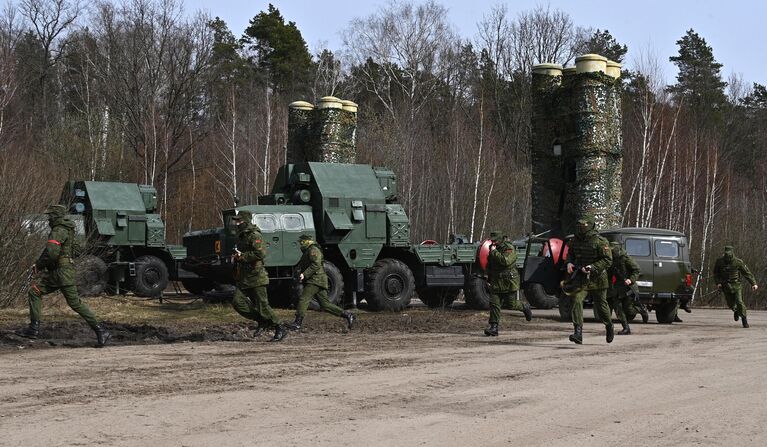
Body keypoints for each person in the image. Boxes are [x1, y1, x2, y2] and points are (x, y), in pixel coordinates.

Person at [16, 205, 110, 347]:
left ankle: (34, 329)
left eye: (49, 216)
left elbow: (51, 252)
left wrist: (39, 265)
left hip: (60, 273)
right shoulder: (68, 229)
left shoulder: (58, 230)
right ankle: (33, 329)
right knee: (68, 301)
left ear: (54, 217)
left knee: (41, 293)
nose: (48, 219)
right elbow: (74, 249)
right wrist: (40, 264)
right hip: (63, 271)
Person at [230, 211, 287, 342]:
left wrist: (242, 256)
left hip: (256, 276)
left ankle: (280, 327)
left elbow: (260, 254)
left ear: (246, 221)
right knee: (237, 302)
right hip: (244, 277)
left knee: (263, 306)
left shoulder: (255, 235)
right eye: (236, 221)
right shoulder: (242, 236)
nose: (237, 223)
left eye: (239, 221)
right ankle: (262, 320)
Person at [287, 235, 356, 331]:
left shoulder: (313, 250)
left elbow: (316, 264)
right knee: (325, 305)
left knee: (304, 299)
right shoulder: (308, 250)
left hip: (316, 279)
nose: (300, 244)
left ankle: (297, 323)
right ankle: (348, 315)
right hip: (317, 280)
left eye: (302, 242)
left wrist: (304, 274)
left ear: (307, 242)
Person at [565, 215, 614, 344]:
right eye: (579, 226)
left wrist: (592, 267)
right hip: (581, 277)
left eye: (584, 226)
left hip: (598, 278)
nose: (581, 229)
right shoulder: (575, 240)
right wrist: (569, 263)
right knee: (576, 300)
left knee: (601, 305)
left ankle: (609, 325)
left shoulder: (600, 241)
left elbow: (607, 260)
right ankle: (578, 332)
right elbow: (570, 254)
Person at [484, 231, 532, 336]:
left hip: (508, 281)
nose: (494, 242)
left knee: (511, 304)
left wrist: (494, 252)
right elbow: (490, 264)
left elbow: (506, 261)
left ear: (501, 239)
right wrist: (487, 276)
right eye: (492, 241)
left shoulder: (509, 248)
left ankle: (524, 307)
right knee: (494, 304)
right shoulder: (493, 249)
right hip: (496, 281)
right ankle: (494, 327)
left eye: (495, 240)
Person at [607, 241, 648, 335]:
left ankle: (641, 310)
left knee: (629, 310)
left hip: (629, 287)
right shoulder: (610, 260)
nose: (612, 252)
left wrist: (631, 279)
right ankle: (626, 328)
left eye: (613, 251)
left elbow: (636, 270)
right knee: (618, 308)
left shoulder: (626, 258)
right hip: (617, 287)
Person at [713, 245, 758, 328]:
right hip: (725, 286)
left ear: (732, 253)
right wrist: (718, 283)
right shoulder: (719, 262)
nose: (727, 256)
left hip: (736, 285)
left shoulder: (738, 262)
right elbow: (716, 273)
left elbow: (747, 273)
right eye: (726, 255)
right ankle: (736, 310)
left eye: (729, 255)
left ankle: (744, 319)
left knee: (739, 301)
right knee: (730, 304)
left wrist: (753, 283)